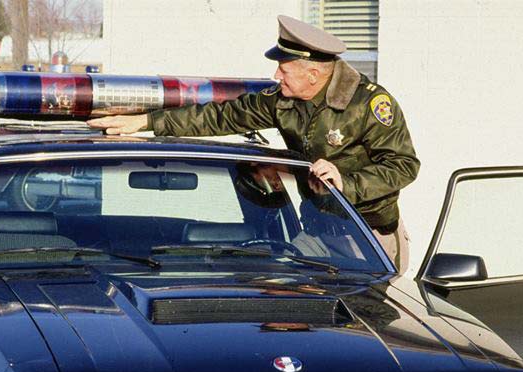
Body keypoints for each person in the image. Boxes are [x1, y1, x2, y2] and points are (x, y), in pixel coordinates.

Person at [87, 15, 420, 273]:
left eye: (284, 68)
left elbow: (404, 165)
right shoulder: (282, 100)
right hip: (317, 229)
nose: (276, 75)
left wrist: (347, 184)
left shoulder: (369, 104)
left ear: (313, 75)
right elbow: (221, 117)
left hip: (368, 235)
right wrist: (147, 122)